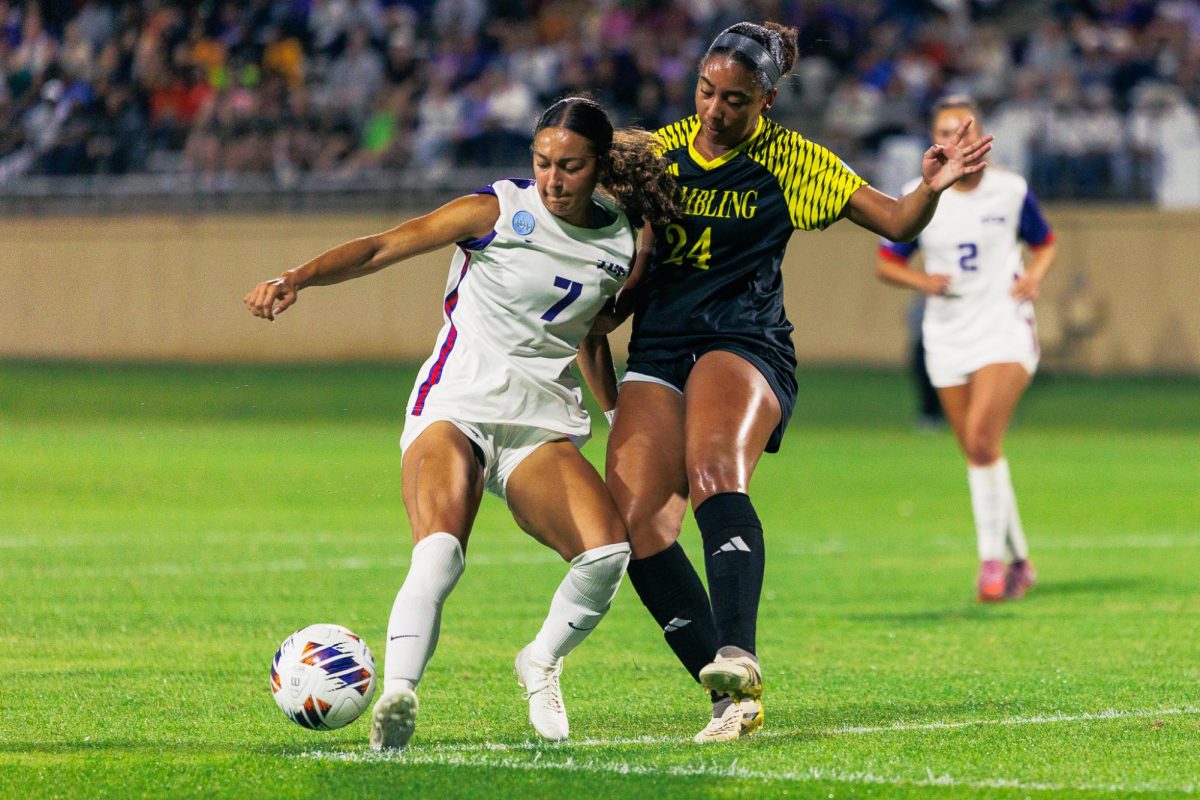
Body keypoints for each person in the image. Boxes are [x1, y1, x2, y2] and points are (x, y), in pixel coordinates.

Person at [595, 22, 992, 743]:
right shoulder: (656, 154)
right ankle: (729, 701)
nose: (717, 111)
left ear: (768, 101)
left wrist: (930, 187)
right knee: (633, 524)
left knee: (714, 465)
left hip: (742, 342)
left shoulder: (792, 162)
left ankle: (738, 653)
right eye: (708, 92)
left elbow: (897, 220)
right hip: (658, 346)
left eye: (737, 100)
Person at [244, 97, 678, 750]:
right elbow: (383, 246)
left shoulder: (623, 239)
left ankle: (541, 660)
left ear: (599, 167)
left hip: (538, 425)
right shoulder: (499, 211)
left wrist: (617, 413)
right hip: (456, 406)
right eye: (542, 163)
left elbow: (592, 333)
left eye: (570, 166)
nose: (553, 180)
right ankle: (398, 695)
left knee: (606, 555)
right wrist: (296, 277)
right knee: (441, 551)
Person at [876, 95, 1056, 604]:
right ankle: (1021, 560)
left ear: (980, 135)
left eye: (963, 129)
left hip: (1004, 326)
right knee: (981, 452)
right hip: (947, 334)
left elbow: (1045, 242)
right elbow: (887, 260)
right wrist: (922, 280)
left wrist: (1035, 277)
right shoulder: (922, 192)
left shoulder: (1009, 189)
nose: (955, 139)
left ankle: (991, 566)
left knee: (980, 439)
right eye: (944, 131)